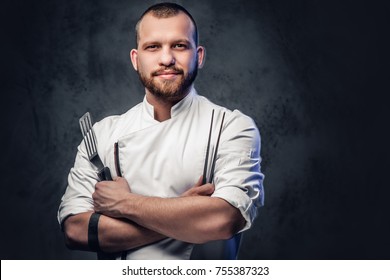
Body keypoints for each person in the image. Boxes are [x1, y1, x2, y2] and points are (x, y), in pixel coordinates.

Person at [57, 2, 264, 260]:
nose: (167, 59)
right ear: (136, 59)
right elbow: (75, 230)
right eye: (153, 47)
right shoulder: (102, 135)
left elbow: (224, 219)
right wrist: (186, 213)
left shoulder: (230, 127)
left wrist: (124, 203)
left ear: (198, 56)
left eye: (179, 45)